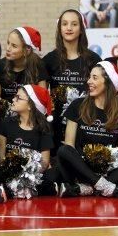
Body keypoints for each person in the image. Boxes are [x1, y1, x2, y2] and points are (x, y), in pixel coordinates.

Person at [56, 61, 118, 198]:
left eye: (95, 78)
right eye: (90, 77)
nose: (89, 81)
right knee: (64, 151)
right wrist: (84, 166)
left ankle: (87, 188)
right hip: (80, 167)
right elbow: (70, 143)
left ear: (108, 83)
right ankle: (107, 187)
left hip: (108, 170)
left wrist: (108, 167)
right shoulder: (77, 105)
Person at [42, 9, 101, 152]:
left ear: (81, 29)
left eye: (74, 24)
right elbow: (42, 93)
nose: (69, 28)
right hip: (55, 122)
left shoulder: (93, 59)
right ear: (59, 28)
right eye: (65, 24)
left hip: (85, 120)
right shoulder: (49, 60)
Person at [0, 85, 56, 197]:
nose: (13, 99)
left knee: (51, 175)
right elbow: (1, 157)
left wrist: (27, 175)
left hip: (32, 176)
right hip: (9, 173)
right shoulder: (6, 123)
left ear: (30, 106)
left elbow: (45, 162)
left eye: (18, 98)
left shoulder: (43, 129)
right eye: (15, 96)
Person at [0, 26, 49, 103]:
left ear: (27, 50)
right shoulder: (0, 65)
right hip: (5, 113)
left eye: (14, 46)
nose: (8, 48)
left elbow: (42, 100)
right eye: (8, 43)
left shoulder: (38, 65)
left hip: (29, 112)